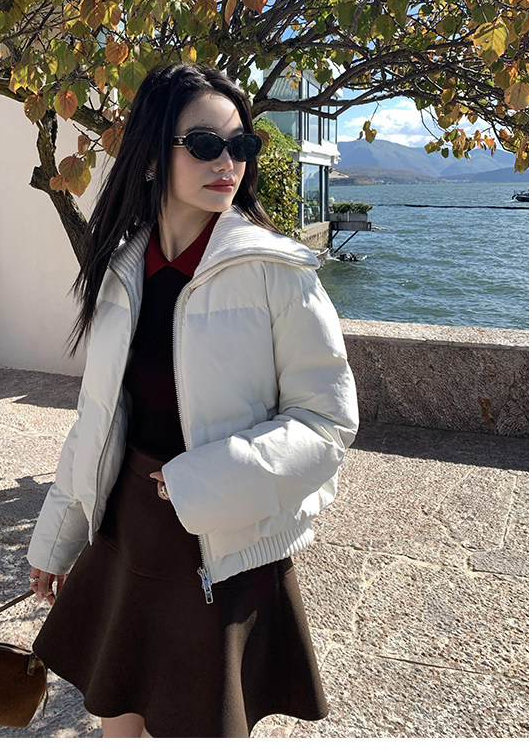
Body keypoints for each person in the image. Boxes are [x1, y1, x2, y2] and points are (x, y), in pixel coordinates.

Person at [27, 63, 359, 738]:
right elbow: (98, 419)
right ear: (154, 155)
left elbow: (326, 425)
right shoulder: (122, 269)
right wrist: (56, 537)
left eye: (241, 145)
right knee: (116, 718)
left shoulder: (277, 272)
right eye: (206, 144)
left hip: (225, 546)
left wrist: (201, 482)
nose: (227, 162)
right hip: (127, 534)